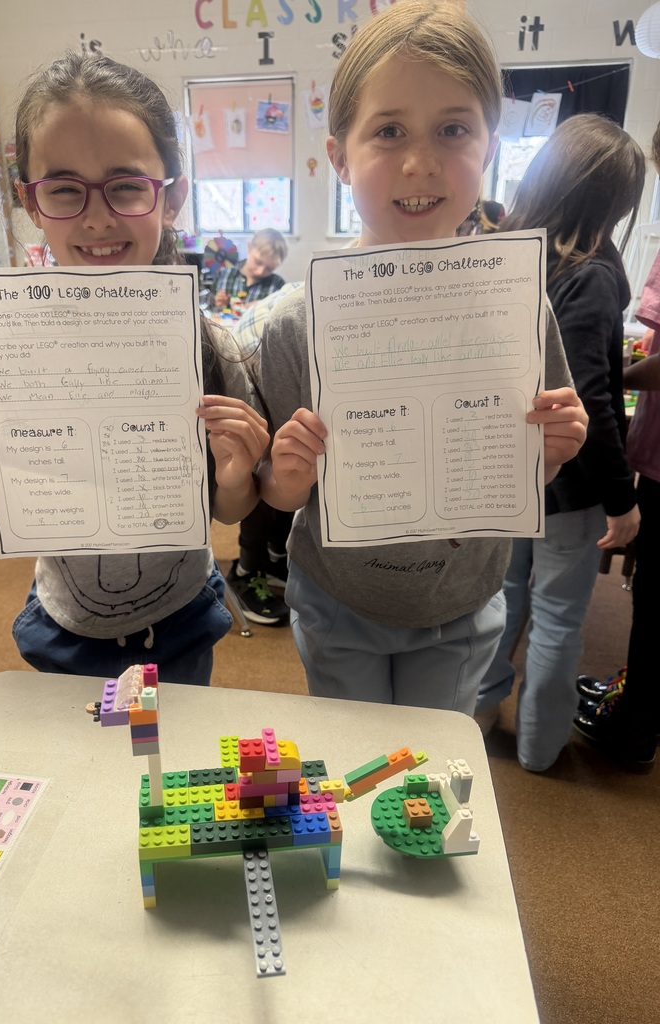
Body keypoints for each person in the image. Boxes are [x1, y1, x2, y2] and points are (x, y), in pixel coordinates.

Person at [257, 1, 588, 712]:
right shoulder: (296, 320)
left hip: (462, 603)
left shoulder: (518, 305)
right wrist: (287, 474)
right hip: (339, 599)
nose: (420, 161)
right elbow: (281, 495)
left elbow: (532, 464)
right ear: (338, 155)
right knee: (349, 772)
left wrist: (557, 445)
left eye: (453, 129)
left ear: (489, 146)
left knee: (430, 785)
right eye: (388, 131)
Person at [0, 52, 268, 685]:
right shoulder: (2, 343)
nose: (97, 216)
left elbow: (231, 510)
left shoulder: (207, 343)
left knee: (166, 774)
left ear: (173, 195)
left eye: (126, 185)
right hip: (62, 626)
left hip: (181, 622)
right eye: (65, 189)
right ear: (30, 201)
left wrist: (236, 476)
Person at [473, 114, 644, 772]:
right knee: (558, 615)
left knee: (504, 597)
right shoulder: (593, 275)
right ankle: (542, 748)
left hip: (511, 469)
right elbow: (591, 403)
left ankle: (482, 710)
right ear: (614, 204)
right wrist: (623, 500)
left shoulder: (515, 256)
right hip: (567, 484)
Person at [571, 126, 660, 774]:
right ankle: (629, 704)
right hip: (585, 475)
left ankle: (632, 720)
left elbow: (593, 391)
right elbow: (592, 392)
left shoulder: (576, 266)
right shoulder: (596, 270)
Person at [225, 282, 303, 626]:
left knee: (293, 473)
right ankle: (246, 569)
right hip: (253, 365)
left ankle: (275, 556)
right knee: (262, 480)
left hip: (283, 364)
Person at [214, 228, 287, 310]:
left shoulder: (278, 285)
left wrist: (265, 306)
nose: (260, 272)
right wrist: (219, 302)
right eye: (258, 262)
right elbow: (207, 308)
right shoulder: (224, 275)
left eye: (269, 269)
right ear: (249, 247)